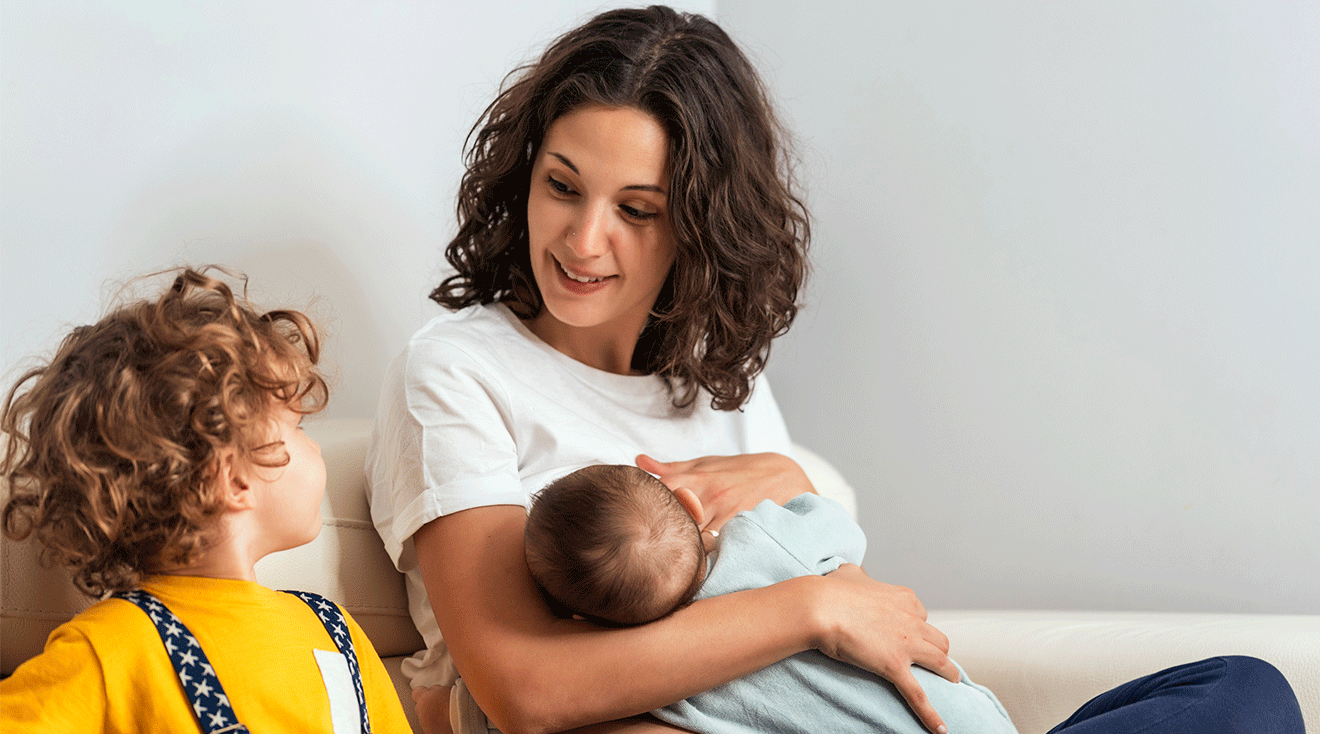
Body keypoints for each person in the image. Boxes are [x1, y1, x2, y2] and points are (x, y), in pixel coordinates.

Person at [366, 6, 1304, 734]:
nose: (581, 238)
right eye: (562, 185)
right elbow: (523, 686)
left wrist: (798, 490)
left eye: (637, 209)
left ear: (699, 224)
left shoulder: (713, 391)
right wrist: (810, 606)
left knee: (1244, 694)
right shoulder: (457, 371)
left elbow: (843, 623)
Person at [0, 268, 411, 733]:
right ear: (232, 479)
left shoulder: (336, 633)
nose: (315, 449)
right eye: (298, 429)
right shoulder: (110, 652)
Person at [525, 464, 1018, 734]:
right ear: (689, 505)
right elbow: (835, 524)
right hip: (976, 720)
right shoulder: (766, 533)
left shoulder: (673, 691)